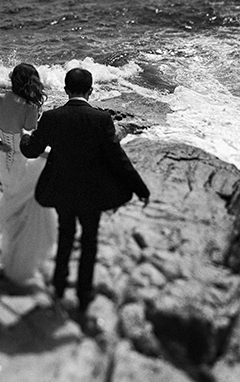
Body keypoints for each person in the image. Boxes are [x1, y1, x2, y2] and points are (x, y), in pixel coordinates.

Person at [20, 67, 150, 319]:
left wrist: (23, 137)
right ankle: (83, 293)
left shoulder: (52, 117)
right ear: (90, 91)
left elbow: (32, 151)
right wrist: (140, 189)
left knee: (65, 234)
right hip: (92, 192)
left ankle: (59, 286)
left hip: (62, 189)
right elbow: (118, 159)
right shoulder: (101, 119)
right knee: (89, 240)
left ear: (66, 90)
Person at [0, 63, 57, 287]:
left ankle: (9, 254)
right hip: (22, 159)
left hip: (2, 157)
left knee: (12, 199)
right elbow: (30, 138)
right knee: (22, 203)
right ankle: (18, 257)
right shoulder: (30, 105)